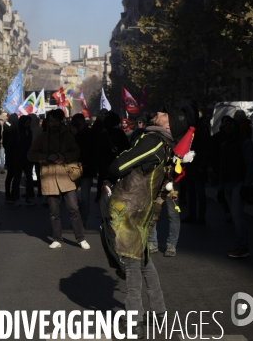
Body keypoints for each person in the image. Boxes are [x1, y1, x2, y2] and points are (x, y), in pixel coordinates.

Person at [105, 106, 190, 338]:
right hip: (143, 208)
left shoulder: (153, 140)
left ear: (168, 125)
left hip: (129, 206)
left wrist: (109, 171)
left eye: (165, 113)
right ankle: (160, 312)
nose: (159, 112)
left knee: (131, 262)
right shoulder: (167, 144)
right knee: (143, 260)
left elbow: (120, 165)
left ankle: (134, 321)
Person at [27, 109, 90, 249]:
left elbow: (76, 152)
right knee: (54, 212)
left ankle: (80, 238)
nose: (53, 123)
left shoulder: (67, 136)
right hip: (49, 177)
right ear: (48, 122)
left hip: (66, 176)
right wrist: (46, 157)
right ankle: (57, 238)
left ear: (60, 121)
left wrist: (64, 157)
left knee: (74, 208)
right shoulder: (42, 138)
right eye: (51, 121)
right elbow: (30, 154)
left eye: (56, 120)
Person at [219, 116, 253, 258]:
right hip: (230, 183)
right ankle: (241, 245)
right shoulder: (225, 144)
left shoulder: (244, 143)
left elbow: (250, 165)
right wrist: (221, 187)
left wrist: (247, 184)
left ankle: (242, 246)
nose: (228, 129)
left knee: (237, 215)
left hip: (238, 183)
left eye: (231, 126)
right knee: (236, 216)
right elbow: (223, 167)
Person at [181, 111, 210, 225]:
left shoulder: (202, 129)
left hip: (198, 165)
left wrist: (202, 165)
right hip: (189, 165)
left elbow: (206, 148)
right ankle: (192, 214)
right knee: (191, 191)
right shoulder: (187, 128)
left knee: (199, 191)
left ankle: (201, 216)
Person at [96, 111, 130, 201]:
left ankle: (102, 198)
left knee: (104, 185)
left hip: (105, 165)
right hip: (118, 164)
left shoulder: (103, 134)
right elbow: (127, 149)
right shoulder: (121, 133)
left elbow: (98, 150)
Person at [71, 113, 97, 228]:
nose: (78, 124)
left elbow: (88, 147)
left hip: (86, 168)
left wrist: (77, 134)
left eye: (79, 121)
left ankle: (83, 220)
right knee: (70, 194)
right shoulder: (71, 133)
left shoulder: (89, 133)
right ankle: (78, 213)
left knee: (85, 197)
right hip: (73, 168)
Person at [11, 115, 36, 206]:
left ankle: (28, 198)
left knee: (29, 178)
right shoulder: (16, 132)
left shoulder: (29, 131)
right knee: (17, 179)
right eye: (27, 123)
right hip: (18, 159)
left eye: (30, 123)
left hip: (27, 159)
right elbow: (11, 146)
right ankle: (16, 198)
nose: (29, 124)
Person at [3, 113, 18, 202]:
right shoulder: (10, 127)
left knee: (12, 175)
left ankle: (11, 193)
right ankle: (10, 194)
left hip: (11, 153)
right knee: (11, 175)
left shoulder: (10, 127)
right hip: (11, 154)